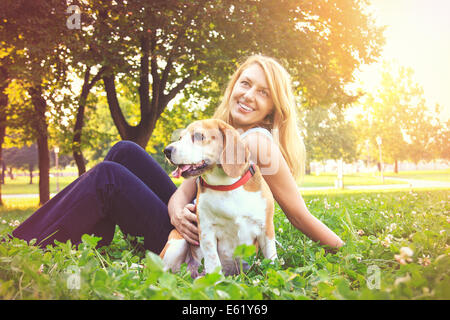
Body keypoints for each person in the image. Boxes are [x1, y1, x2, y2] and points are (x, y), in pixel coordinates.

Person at [12, 55, 344, 255]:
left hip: (196, 246)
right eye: (245, 84)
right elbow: (181, 193)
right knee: (124, 151)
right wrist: (175, 213)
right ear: (233, 87)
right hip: (185, 227)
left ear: (274, 107)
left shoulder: (258, 141)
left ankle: (18, 247)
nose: (249, 95)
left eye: (263, 92)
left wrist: (347, 251)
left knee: (107, 177)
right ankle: (91, 240)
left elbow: (299, 216)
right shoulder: (220, 134)